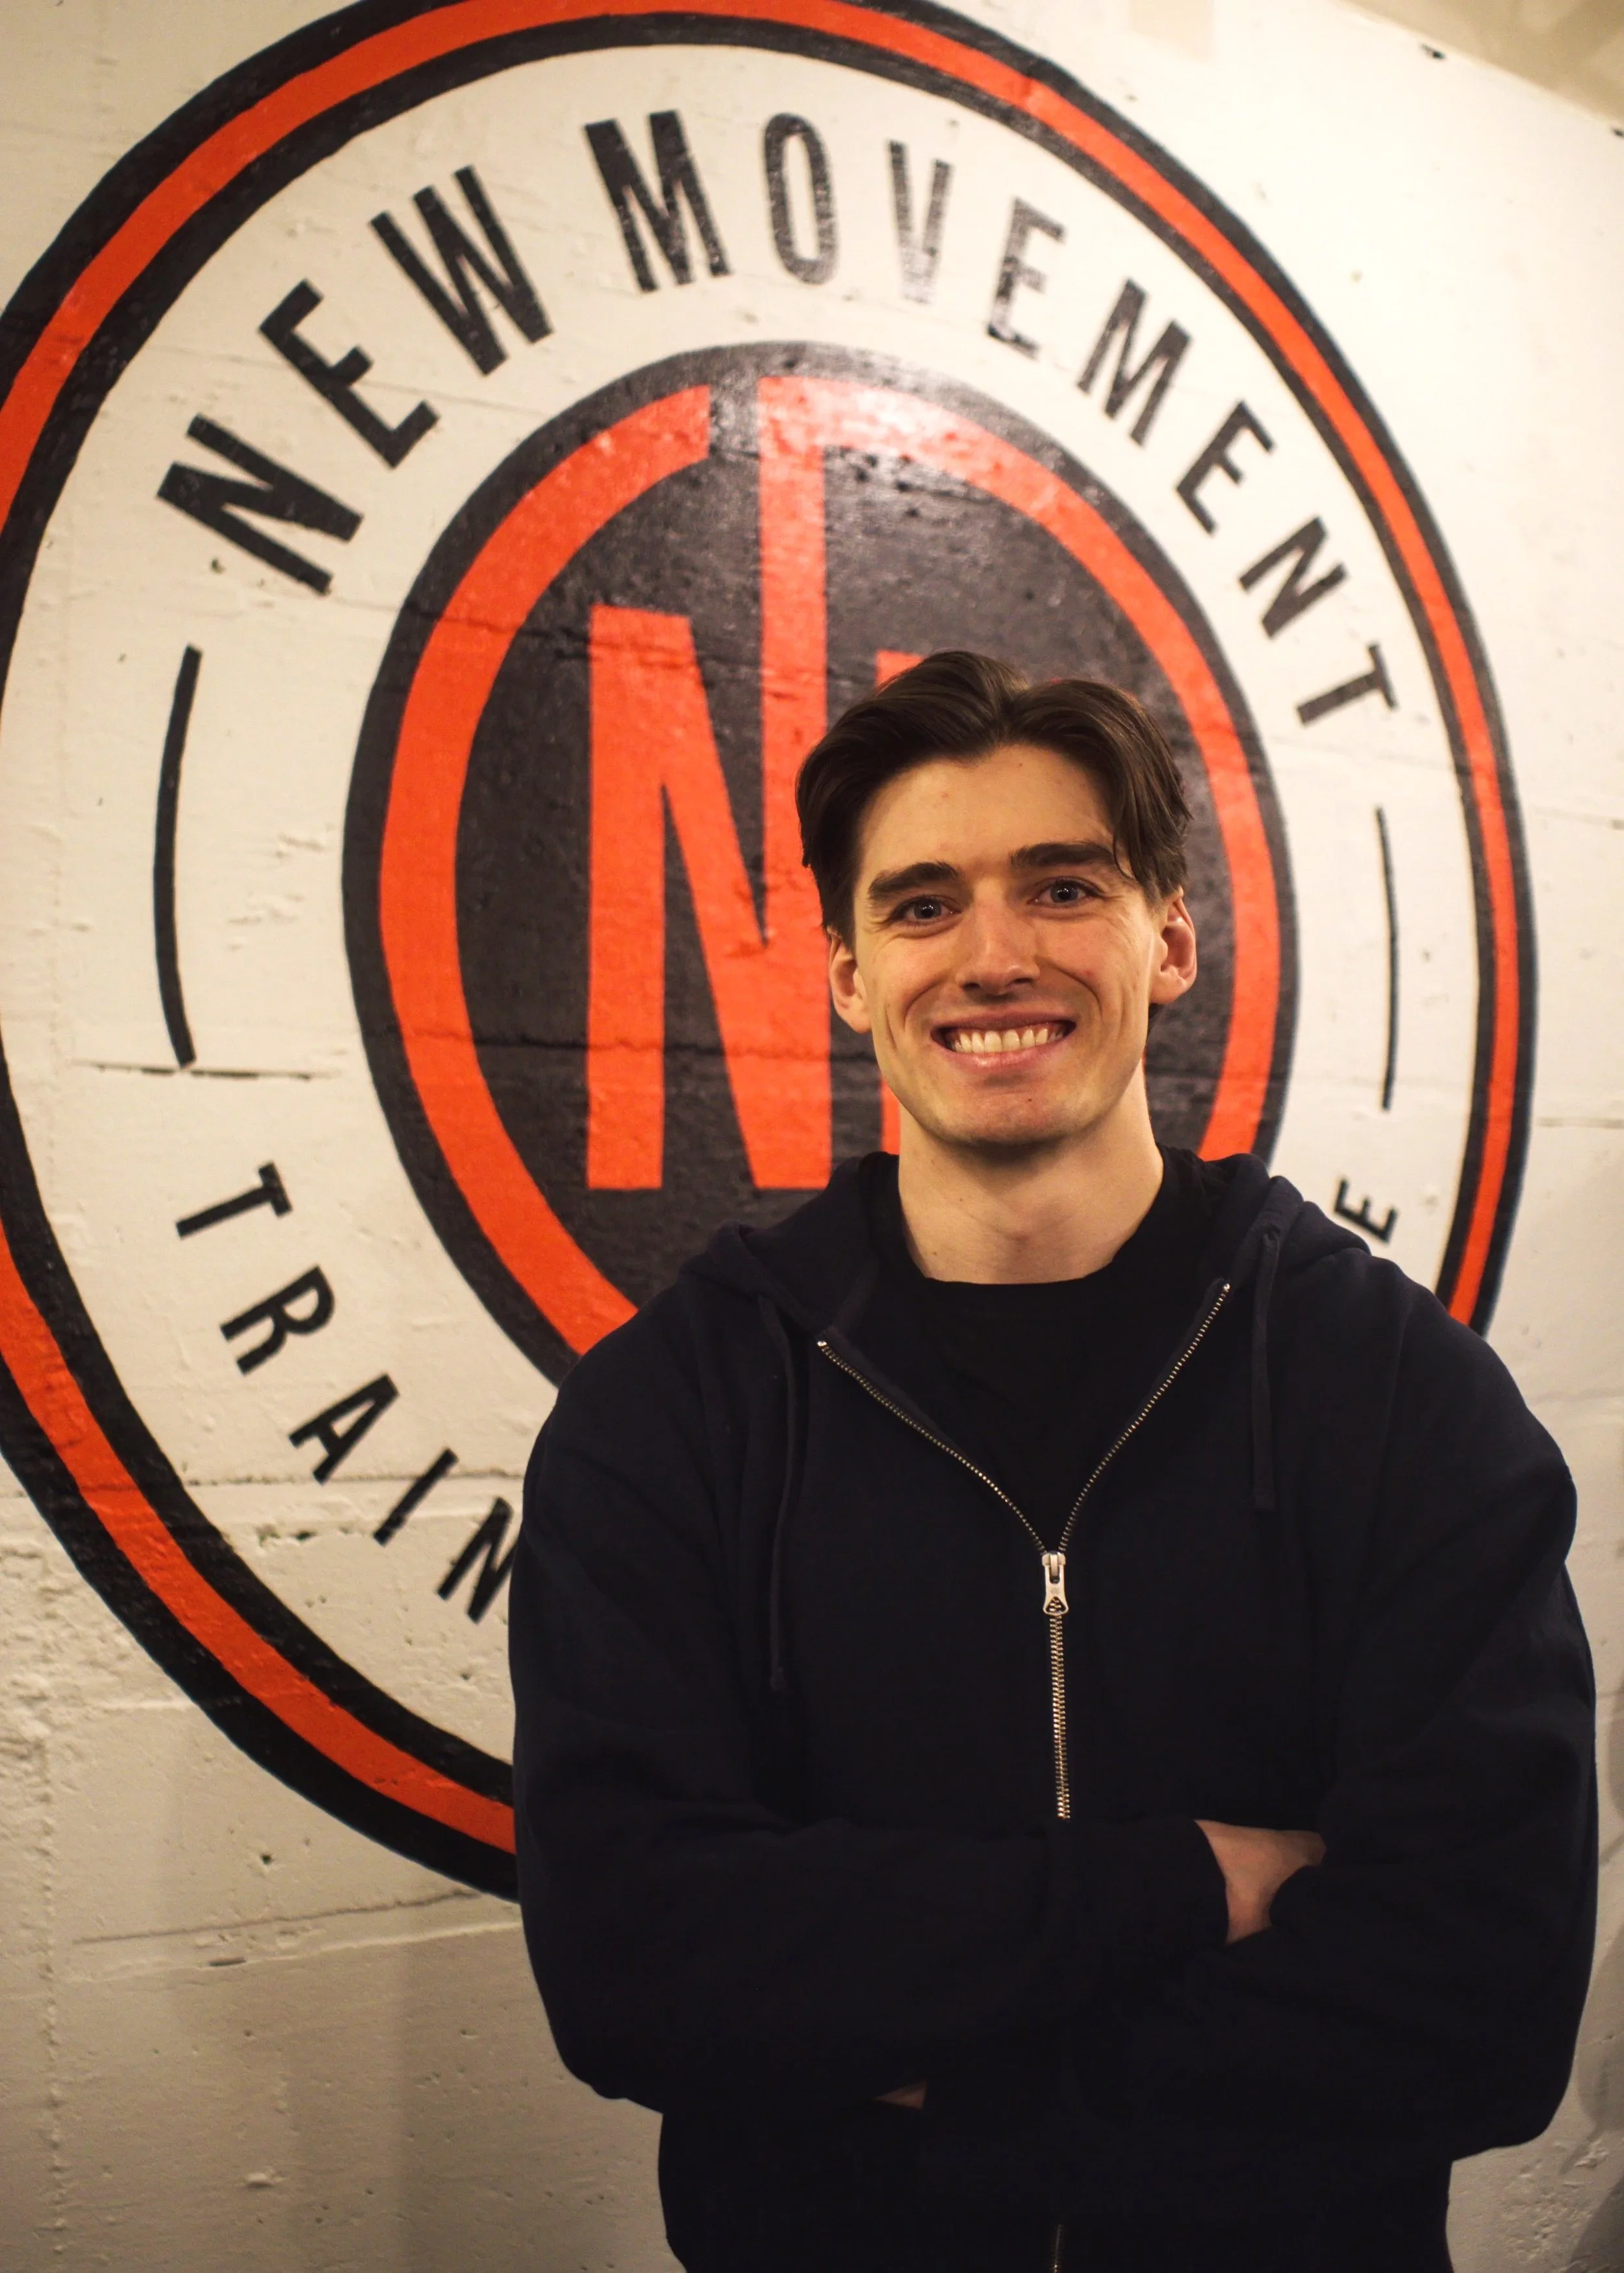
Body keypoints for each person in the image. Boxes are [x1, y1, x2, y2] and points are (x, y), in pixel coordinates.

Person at [509, 652, 1595, 2273]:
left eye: (1061, 887)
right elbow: (632, 1966)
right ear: (847, 975)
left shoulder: (1394, 1396)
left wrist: (933, 2089)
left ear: (1170, 939)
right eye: (921, 905)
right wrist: (1177, 1886)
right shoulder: (675, 1411)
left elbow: (1479, 2007)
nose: (992, 955)